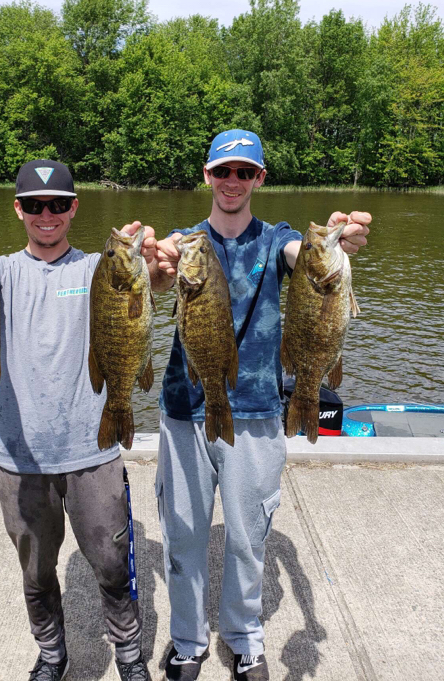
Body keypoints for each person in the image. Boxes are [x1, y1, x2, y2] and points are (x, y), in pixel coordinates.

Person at [0, 159, 156, 681]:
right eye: (35, 205)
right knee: (36, 573)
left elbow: (147, 280)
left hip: (93, 452)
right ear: (18, 209)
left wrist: (156, 261)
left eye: (59, 204)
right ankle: (51, 654)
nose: (47, 216)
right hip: (18, 457)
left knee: (114, 568)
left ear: (74, 208)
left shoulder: (97, 269)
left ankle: (131, 656)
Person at [151, 130, 371, 681]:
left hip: (257, 411)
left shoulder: (281, 240)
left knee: (249, 536)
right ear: (206, 175)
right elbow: (159, 274)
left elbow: (307, 258)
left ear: (259, 180)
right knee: (183, 535)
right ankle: (187, 641)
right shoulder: (187, 244)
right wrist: (153, 268)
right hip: (185, 410)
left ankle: (245, 637)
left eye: (244, 172)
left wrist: (338, 245)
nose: (232, 181)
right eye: (223, 171)